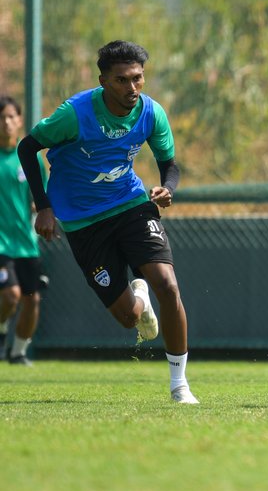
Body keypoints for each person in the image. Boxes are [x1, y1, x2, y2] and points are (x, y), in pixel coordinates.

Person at [16, 40, 199, 404]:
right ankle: (139, 299)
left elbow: (170, 164)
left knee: (168, 285)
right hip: (82, 221)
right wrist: (45, 206)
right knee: (129, 319)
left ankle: (180, 385)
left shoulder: (151, 113)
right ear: (103, 81)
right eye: (122, 80)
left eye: (138, 78)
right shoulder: (76, 113)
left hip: (130, 204)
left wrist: (168, 188)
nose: (132, 88)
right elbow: (27, 146)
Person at [0, 94, 48, 366]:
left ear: (19, 121)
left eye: (11, 117)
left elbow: (39, 199)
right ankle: (2, 326)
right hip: (1, 244)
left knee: (32, 300)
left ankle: (17, 352)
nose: (6, 122)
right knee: (11, 296)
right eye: (2, 117)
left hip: (26, 242)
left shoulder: (28, 158)